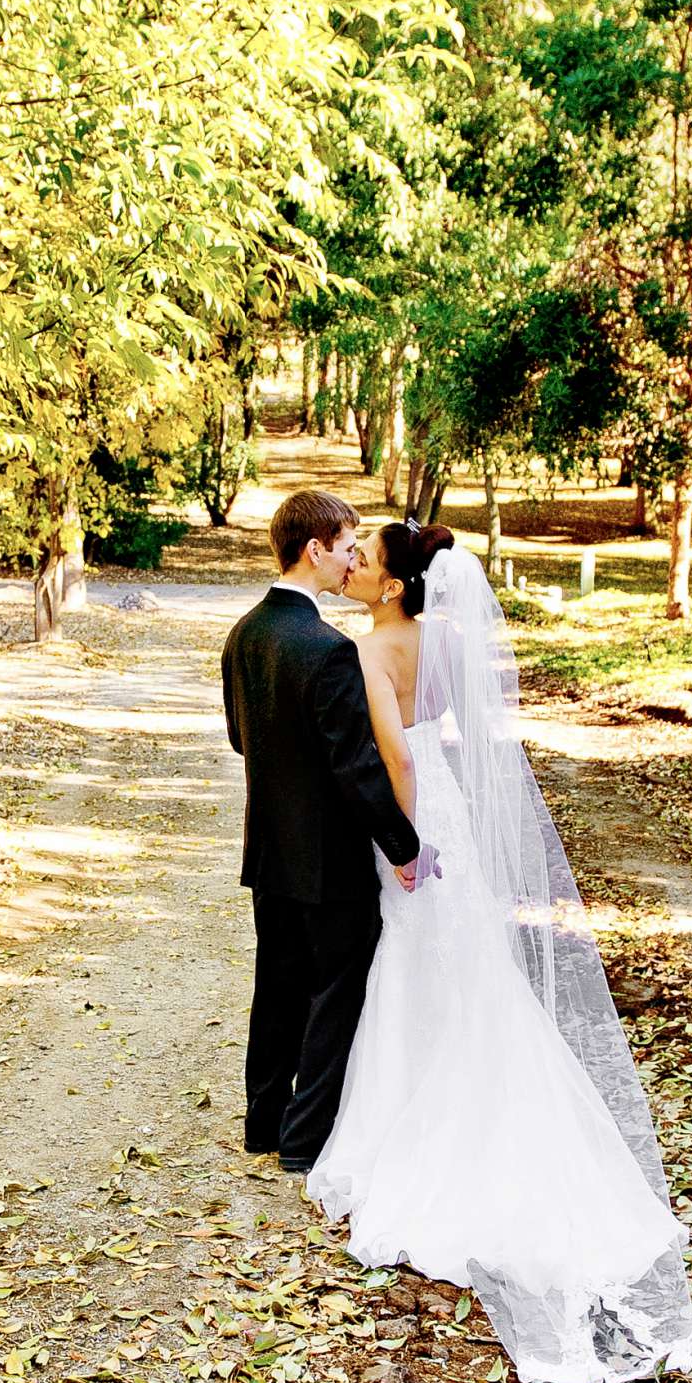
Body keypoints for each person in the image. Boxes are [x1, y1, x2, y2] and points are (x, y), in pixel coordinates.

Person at [306, 522, 692, 1383]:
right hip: (455, 814)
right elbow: (449, 727)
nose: (357, 565)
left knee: (415, 959)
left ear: (396, 586)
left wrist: (403, 844)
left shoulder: (374, 650)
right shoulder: (444, 635)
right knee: (468, 961)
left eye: (366, 559)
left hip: (415, 821)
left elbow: (398, 753)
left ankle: (420, 1120)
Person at [220, 491, 439, 1173]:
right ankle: (305, 1137)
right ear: (315, 548)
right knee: (334, 992)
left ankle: (263, 1121)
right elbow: (356, 767)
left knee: (277, 985)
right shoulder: (330, 648)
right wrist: (405, 846)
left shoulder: (244, 634)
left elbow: (238, 738)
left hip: (270, 850)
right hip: (332, 860)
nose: (352, 561)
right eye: (347, 546)